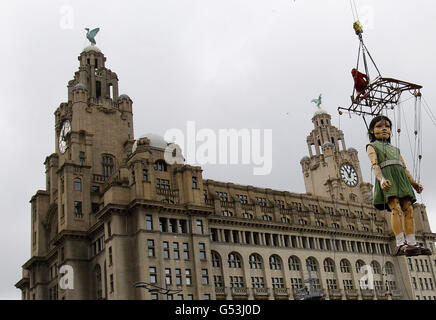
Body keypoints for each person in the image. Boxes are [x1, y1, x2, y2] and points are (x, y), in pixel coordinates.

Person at [366, 115, 431, 256]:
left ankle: (412, 242)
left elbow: (404, 167)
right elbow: (375, 165)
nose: (384, 129)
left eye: (387, 126)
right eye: (379, 126)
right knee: (396, 209)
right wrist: (381, 179)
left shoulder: (395, 149)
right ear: (371, 130)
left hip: (401, 179)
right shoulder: (372, 146)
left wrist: (413, 183)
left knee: (409, 210)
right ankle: (400, 243)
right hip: (388, 178)